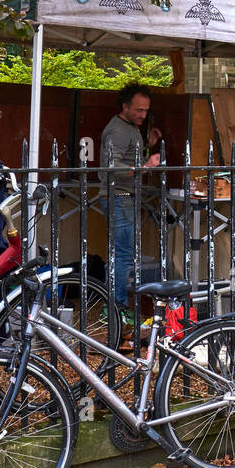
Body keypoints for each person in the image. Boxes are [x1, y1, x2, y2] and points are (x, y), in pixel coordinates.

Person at [100, 84, 162, 312]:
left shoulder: (129, 128)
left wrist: (148, 145)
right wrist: (146, 166)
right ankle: (116, 309)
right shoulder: (117, 130)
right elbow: (112, 166)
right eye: (138, 110)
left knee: (124, 254)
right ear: (125, 106)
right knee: (123, 255)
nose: (143, 115)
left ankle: (117, 308)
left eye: (146, 110)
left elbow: (127, 156)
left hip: (125, 197)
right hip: (119, 197)